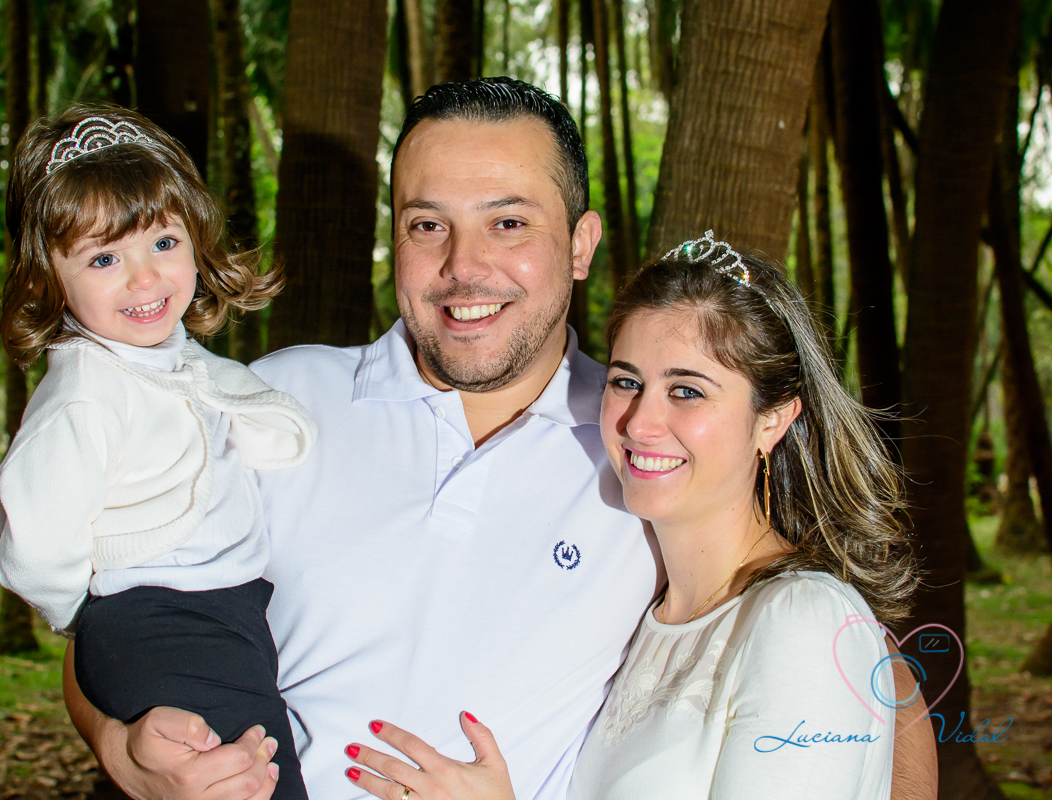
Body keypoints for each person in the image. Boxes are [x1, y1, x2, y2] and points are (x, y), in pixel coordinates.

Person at [62, 80, 935, 800]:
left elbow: (868, 679)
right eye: (426, 223)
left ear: (581, 243)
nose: (463, 266)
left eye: (509, 222)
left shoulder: (644, 444)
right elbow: (123, 611)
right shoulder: (271, 400)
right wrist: (116, 741)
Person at [343, 234, 917, 799]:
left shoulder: (801, 620)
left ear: (772, 419)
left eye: (687, 391)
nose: (640, 423)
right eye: (626, 382)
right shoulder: (643, 620)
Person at [0, 104, 315, 800]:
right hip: (163, 618)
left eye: (163, 244)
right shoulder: (85, 388)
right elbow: (34, 544)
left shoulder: (167, 358)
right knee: (253, 785)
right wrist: (91, 612)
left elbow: (225, 395)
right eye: (104, 258)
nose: (144, 279)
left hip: (226, 615)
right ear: (49, 277)